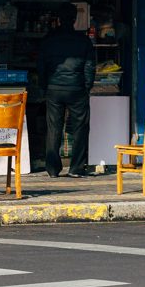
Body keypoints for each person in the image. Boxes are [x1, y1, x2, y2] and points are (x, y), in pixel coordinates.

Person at [37, 12, 97, 178]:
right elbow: (90, 66)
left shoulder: (49, 39)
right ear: (74, 20)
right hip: (76, 88)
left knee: (53, 128)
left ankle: (53, 169)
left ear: (58, 20)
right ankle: (76, 168)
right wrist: (86, 87)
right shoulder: (83, 40)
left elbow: (41, 65)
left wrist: (44, 86)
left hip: (54, 89)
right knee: (80, 128)